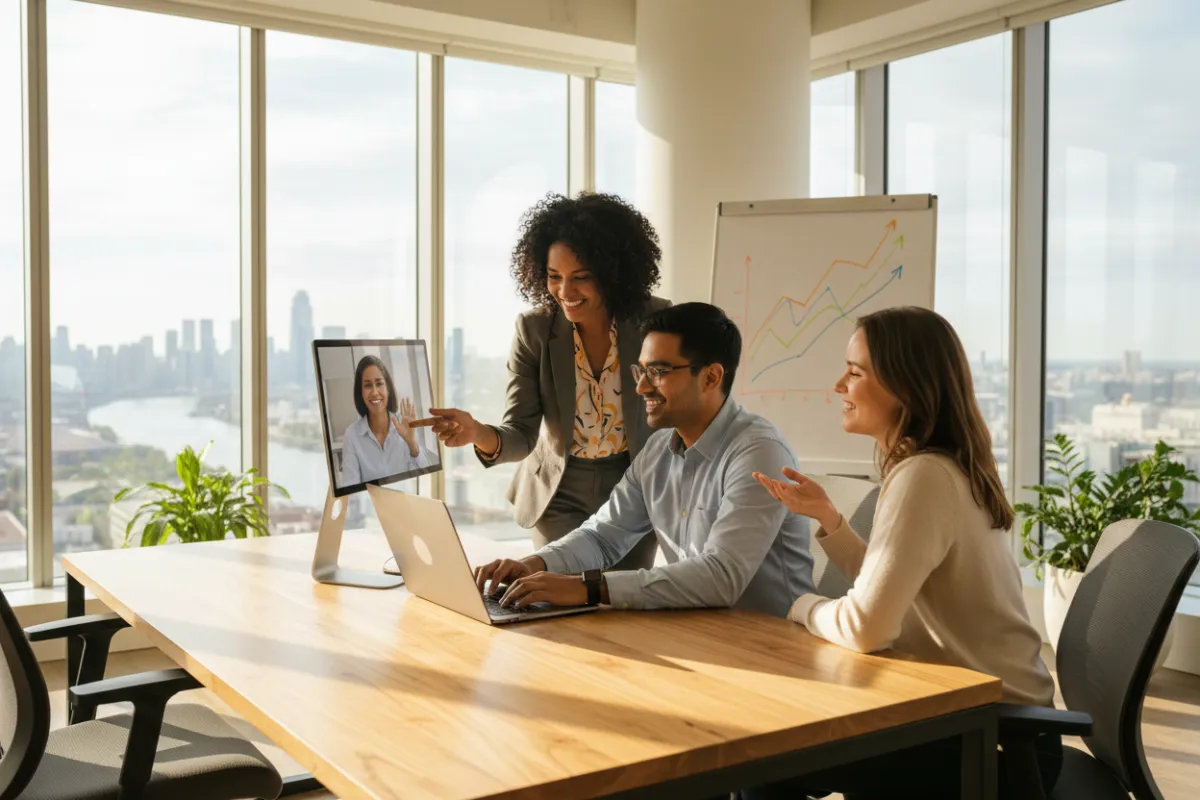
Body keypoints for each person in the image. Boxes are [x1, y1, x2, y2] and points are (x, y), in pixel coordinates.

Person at [746, 306, 1059, 799]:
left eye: (854, 372)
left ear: (904, 387)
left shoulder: (924, 476)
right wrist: (830, 519)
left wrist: (800, 606)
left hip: (992, 747)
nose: (838, 386)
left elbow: (866, 628)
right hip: (1001, 730)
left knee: (760, 755)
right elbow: (901, 583)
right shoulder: (940, 468)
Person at [473, 302, 813, 618]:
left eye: (660, 372)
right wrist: (535, 564)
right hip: (699, 631)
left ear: (711, 377)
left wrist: (588, 588)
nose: (641, 388)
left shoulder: (759, 452)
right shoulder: (658, 449)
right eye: (642, 371)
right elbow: (603, 536)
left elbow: (722, 575)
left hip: (772, 643)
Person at [430, 192, 668, 570]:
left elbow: (677, 415)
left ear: (613, 273)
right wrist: (477, 432)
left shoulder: (657, 320)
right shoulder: (535, 330)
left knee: (621, 605)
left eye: (581, 278)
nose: (565, 292)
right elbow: (521, 433)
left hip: (633, 487)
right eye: (554, 277)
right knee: (558, 596)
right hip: (559, 492)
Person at [340, 355, 437, 487]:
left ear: (388, 388)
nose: (374, 392)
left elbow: (426, 475)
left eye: (379, 383)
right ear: (360, 392)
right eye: (368, 385)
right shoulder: (352, 435)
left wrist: (412, 444)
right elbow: (350, 488)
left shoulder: (405, 424)